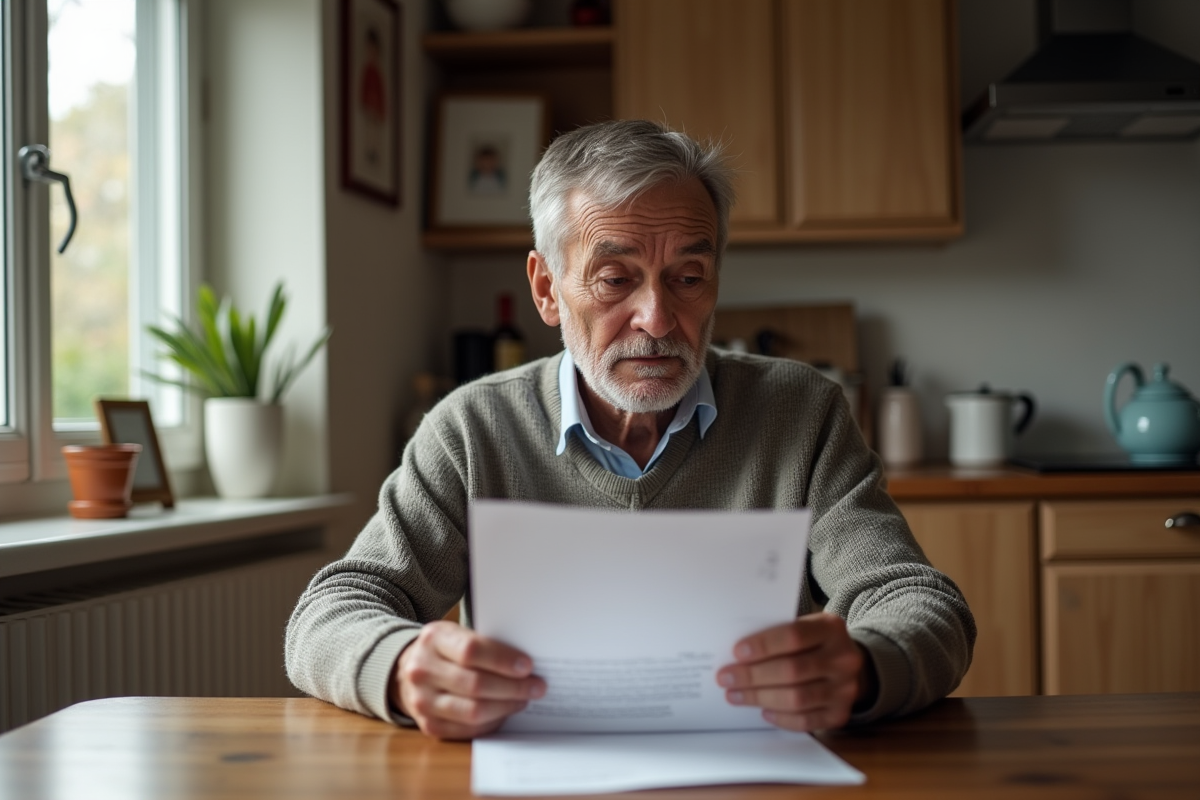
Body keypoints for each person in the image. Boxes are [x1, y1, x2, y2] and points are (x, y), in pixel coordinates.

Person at [285, 119, 975, 741]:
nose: (657, 316)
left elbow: (919, 601)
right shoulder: (472, 428)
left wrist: (864, 667)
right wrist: (404, 667)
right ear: (547, 289)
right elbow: (330, 612)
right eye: (616, 279)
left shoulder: (801, 413)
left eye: (688, 277)